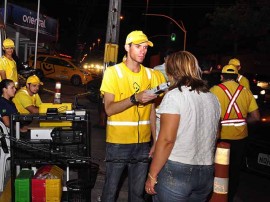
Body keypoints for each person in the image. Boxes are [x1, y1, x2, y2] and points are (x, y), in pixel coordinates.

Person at [145, 51, 221, 202]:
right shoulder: (213, 98)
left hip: (177, 170)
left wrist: (152, 175)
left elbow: (167, 140)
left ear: (172, 71)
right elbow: (216, 134)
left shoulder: (175, 96)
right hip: (206, 170)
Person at [100, 30, 159, 202]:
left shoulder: (151, 75)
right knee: (110, 192)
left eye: (145, 47)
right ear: (127, 47)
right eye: (138, 46)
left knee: (137, 195)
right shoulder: (113, 73)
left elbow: (153, 110)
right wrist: (135, 98)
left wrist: (155, 142)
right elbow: (109, 109)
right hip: (118, 143)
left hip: (143, 145)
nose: (143, 50)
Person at [210, 64, 260, 202]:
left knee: (218, 170)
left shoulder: (215, 90)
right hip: (240, 138)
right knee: (234, 171)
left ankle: (216, 196)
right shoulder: (246, 91)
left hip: (220, 138)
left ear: (222, 76)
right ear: (237, 77)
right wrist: (241, 122)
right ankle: (229, 197)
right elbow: (256, 117)